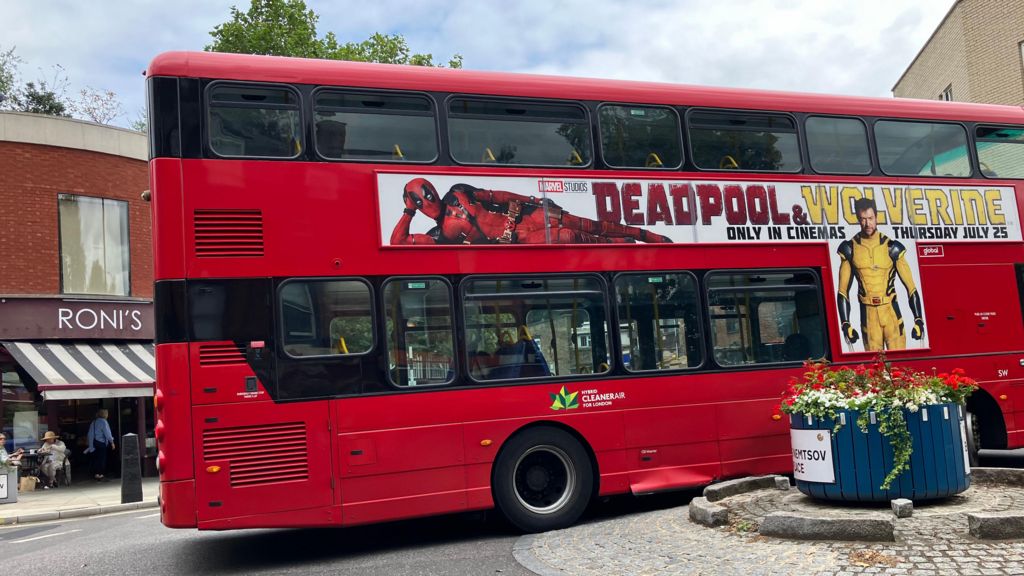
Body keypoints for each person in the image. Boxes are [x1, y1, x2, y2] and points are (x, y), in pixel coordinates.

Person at [391, 178, 673, 245]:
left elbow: (496, 196)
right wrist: (407, 212)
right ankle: (617, 243)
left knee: (586, 222)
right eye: (421, 198)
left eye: (427, 192)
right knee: (567, 235)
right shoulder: (438, 235)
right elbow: (397, 242)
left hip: (523, 215)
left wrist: (530, 199)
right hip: (516, 241)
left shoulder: (457, 191)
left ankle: (644, 234)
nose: (429, 198)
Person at [836, 197, 925, 351]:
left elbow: (911, 287)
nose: (867, 223)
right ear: (858, 219)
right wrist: (845, 323)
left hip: (891, 312)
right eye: (863, 219)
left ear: (876, 217)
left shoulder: (893, 247)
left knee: (899, 368)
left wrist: (918, 320)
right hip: (869, 316)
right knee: (874, 370)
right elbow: (842, 291)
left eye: (870, 218)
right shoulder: (849, 248)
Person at [84, 409, 115, 482]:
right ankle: (101, 474)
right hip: (101, 443)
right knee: (102, 459)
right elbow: (107, 433)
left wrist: (90, 444)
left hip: (94, 443)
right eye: (107, 414)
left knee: (96, 459)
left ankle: (96, 474)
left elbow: (90, 434)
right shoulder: (104, 422)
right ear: (104, 414)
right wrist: (112, 442)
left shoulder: (93, 422)